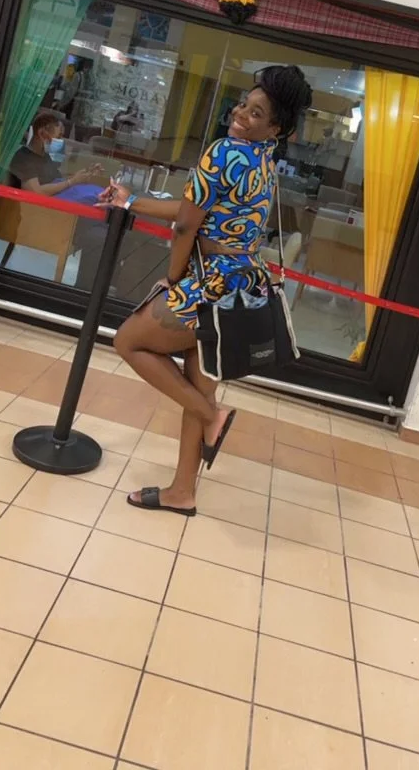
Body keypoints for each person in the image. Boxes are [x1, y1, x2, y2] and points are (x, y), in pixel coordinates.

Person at [102, 65, 312, 516]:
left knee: (129, 341)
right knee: (199, 383)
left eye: (257, 113)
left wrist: (174, 279)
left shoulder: (223, 151)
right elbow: (193, 205)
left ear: (275, 127)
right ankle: (183, 491)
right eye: (243, 105)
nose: (242, 115)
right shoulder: (264, 158)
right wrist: (131, 201)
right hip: (242, 286)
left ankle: (210, 417)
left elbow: (184, 225)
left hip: (207, 282)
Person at [8, 111, 106, 288]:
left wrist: (82, 176)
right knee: (99, 235)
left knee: (101, 229)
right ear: (42, 133)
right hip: (44, 219)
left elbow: (56, 182)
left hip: (56, 213)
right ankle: (87, 285)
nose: (61, 141)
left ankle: (88, 283)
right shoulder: (24, 158)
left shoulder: (43, 157)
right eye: (59, 136)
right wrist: (71, 182)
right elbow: (36, 193)